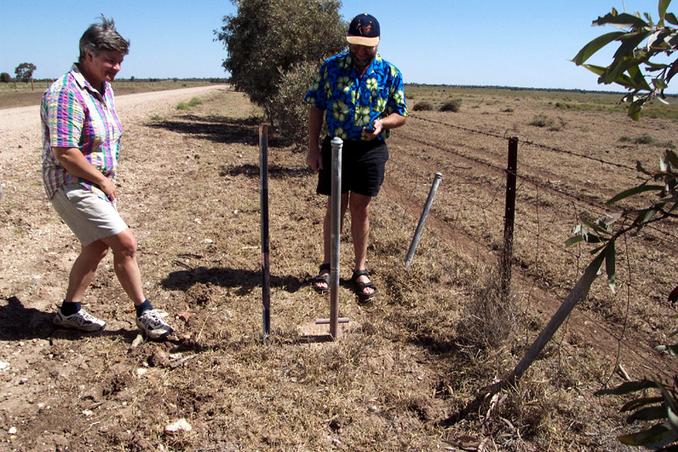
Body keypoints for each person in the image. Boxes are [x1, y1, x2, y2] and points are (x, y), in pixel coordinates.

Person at [41, 16, 173, 339]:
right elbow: (65, 152)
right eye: (109, 60)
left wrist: (103, 180)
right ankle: (145, 311)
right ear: (88, 54)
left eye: (120, 61)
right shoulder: (66, 93)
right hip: (70, 182)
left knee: (98, 245)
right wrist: (102, 181)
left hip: (93, 182)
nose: (116, 68)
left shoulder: (103, 89)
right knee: (124, 243)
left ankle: (69, 311)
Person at [305, 13, 408, 302]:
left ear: (378, 43)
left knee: (361, 207)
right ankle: (328, 267)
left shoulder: (391, 72)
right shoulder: (331, 67)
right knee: (336, 205)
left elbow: (400, 114)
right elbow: (316, 107)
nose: (361, 51)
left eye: (368, 46)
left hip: (371, 150)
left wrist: (382, 124)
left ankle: (360, 269)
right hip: (336, 146)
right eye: (356, 45)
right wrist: (313, 148)